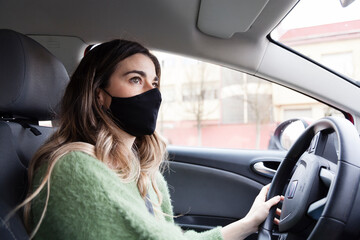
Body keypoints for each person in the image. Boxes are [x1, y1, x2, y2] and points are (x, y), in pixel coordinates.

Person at [17, 39, 282, 240]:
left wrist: (249, 223)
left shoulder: (143, 173)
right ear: (99, 95)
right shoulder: (73, 168)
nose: (152, 94)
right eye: (135, 80)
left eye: (154, 83)